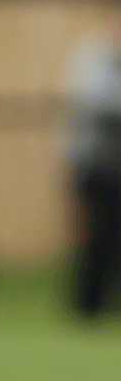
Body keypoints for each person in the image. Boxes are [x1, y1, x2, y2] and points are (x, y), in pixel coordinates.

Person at [64, 19, 121, 316]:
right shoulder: (94, 57)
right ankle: (89, 307)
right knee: (98, 235)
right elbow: (97, 106)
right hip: (96, 166)